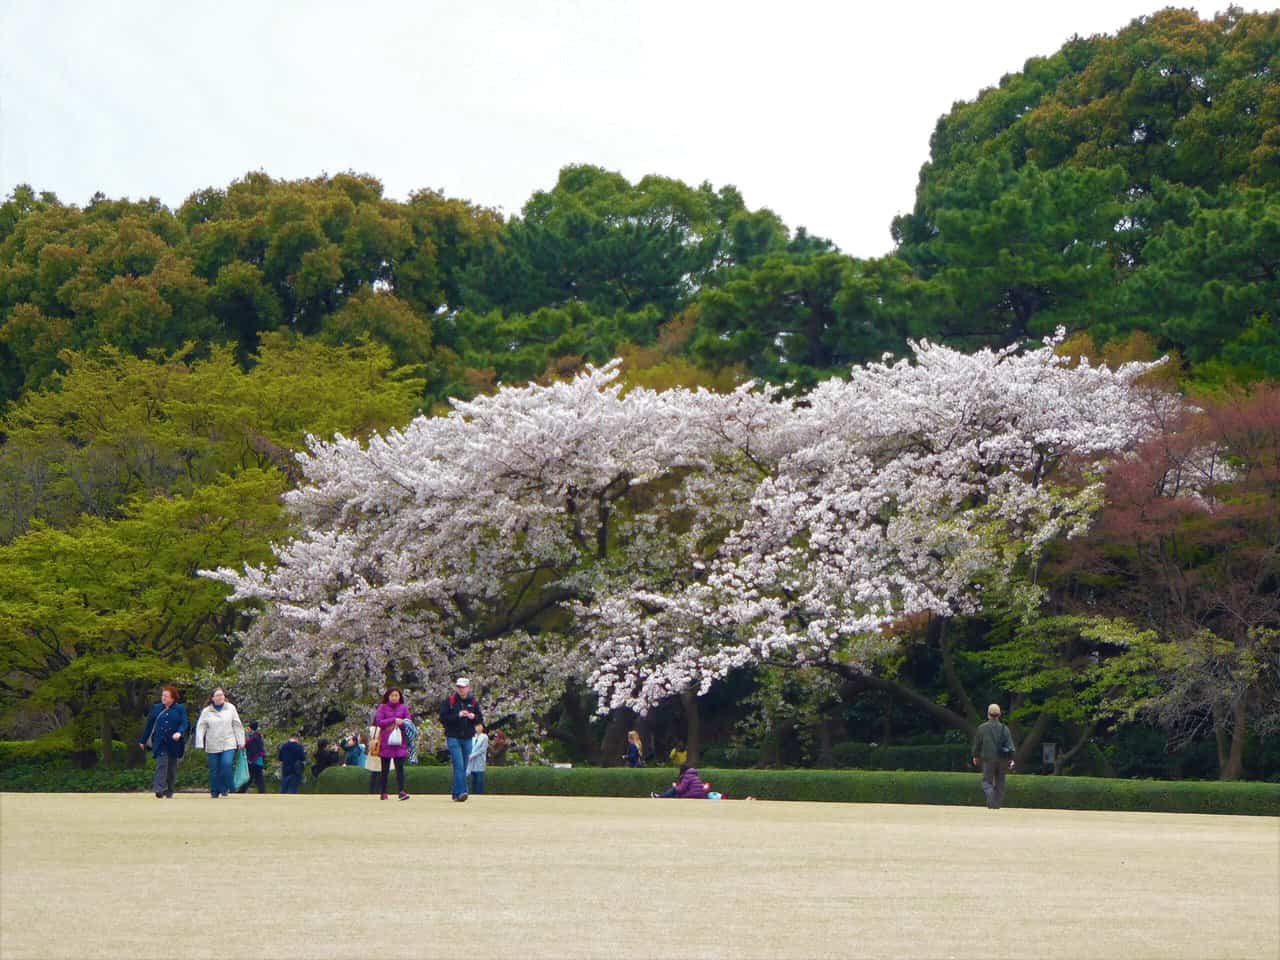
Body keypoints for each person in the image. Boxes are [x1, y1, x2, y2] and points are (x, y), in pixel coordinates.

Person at [194, 687, 246, 799]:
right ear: (212, 698)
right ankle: (215, 791)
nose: (220, 697)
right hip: (212, 743)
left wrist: (241, 741)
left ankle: (226, 788)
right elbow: (201, 727)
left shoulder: (230, 708)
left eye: (222, 695)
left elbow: (237, 724)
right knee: (214, 769)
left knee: (226, 764)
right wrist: (199, 742)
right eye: (217, 695)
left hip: (228, 742)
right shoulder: (207, 711)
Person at [138, 684, 188, 799]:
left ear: (172, 698)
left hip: (174, 743)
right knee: (162, 764)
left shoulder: (179, 708)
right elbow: (149, 725)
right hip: (160, 742)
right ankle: (159, 788)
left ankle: (169, 790)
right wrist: (143, 740)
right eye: (163, 695)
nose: (163, 698)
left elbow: (184, 723)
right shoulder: (156, 708)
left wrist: (179, 732)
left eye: (166, 696)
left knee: (171, 768)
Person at [439, 678, 483, 802]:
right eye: (459, 687)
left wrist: (473, 716)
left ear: (468, 688)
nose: (461, 689)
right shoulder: (449, 701)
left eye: (463, 687)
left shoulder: (473, 702)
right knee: (458, 765)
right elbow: (443, 718)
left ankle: (456, 792)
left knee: (464, 766)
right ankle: (462, 792)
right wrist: (457, 715)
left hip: (468, 737)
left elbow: (480, 718)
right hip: (453, 737)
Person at [972, 703, 1016, 809]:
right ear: (999, 714)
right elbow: (1010, 746)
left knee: (986, 782)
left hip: (988, 759)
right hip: (1003, 760)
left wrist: (975, 756)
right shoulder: (1005, 729)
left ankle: (991, 799)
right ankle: (996, 805)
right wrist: (1011, 759)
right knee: (1000, 783)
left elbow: (977, 744)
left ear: (988, 714)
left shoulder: (982, 728)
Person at [375, 688, 412, 801]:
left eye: (396, 695)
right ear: (388, 696)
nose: (394, 697)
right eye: (392, 695)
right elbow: (379, 722)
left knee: (400, 768)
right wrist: (393, 720)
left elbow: (409, 721)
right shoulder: (383, 707)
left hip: (400, 741)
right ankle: (383, 792)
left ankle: (401, 791)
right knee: (385, 769)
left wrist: (402, 722)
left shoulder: (403, 708)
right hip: (386, 741)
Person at [237, 721, 266, 794]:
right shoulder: (258, 736)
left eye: (248, 728)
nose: (247, 730)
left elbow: (253, 750)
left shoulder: (253, 738)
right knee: (256, 777)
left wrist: (250, 759)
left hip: (254, 760)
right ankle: (261, 791)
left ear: (251, 728)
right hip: (259, 760)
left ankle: (242, 791)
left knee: (252, 776)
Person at [466, 722, 489, 796]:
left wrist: (473, 755)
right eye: (477, 726)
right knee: (473, 780)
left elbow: (482, 749)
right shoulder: (473, 737)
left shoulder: (484, 737)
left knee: (479, 780)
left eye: (480, 726)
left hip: (480, 760)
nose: (478, 728)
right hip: (472, 761)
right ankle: (474, 794)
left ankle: (480, 794)